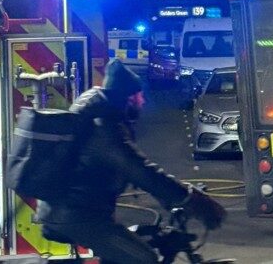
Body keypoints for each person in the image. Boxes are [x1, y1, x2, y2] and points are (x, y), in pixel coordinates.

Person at [37, 59, 226, 264]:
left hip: (73, 211)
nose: (143, 102)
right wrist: (191, 199)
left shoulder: (100, 116)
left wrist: (176, 196)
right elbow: (139, 170)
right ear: (127, 98)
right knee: (143, 258)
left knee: (143, 239)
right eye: (139, 97)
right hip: (76, 216)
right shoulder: (104, 128)